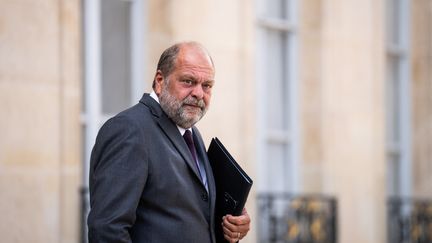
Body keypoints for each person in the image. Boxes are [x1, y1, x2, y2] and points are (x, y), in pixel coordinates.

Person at [87, 41, 251, 243]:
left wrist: (231, 225)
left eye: (207, 85)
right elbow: (106, 229)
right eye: (188, 81)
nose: (199, 93)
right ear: (159, 81)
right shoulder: (129, 130)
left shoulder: (191, 133)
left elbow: (189, 214)